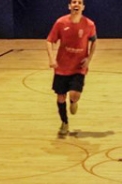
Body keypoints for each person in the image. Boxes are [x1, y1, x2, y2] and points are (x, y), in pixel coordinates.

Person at [45, 0, 97, 137]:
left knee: (74, 93)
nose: (76, 4)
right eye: (74, 2)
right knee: (61, 96)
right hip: (62, 66)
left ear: (83, 7)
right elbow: (49, 41)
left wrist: (89, 59)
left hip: (78, 67)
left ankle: (73, 102)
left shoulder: (89, 24)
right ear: (69, 6)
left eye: (79, 2)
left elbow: (94, 41)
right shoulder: (61, 23)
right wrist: (51, 59)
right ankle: (64, 122)